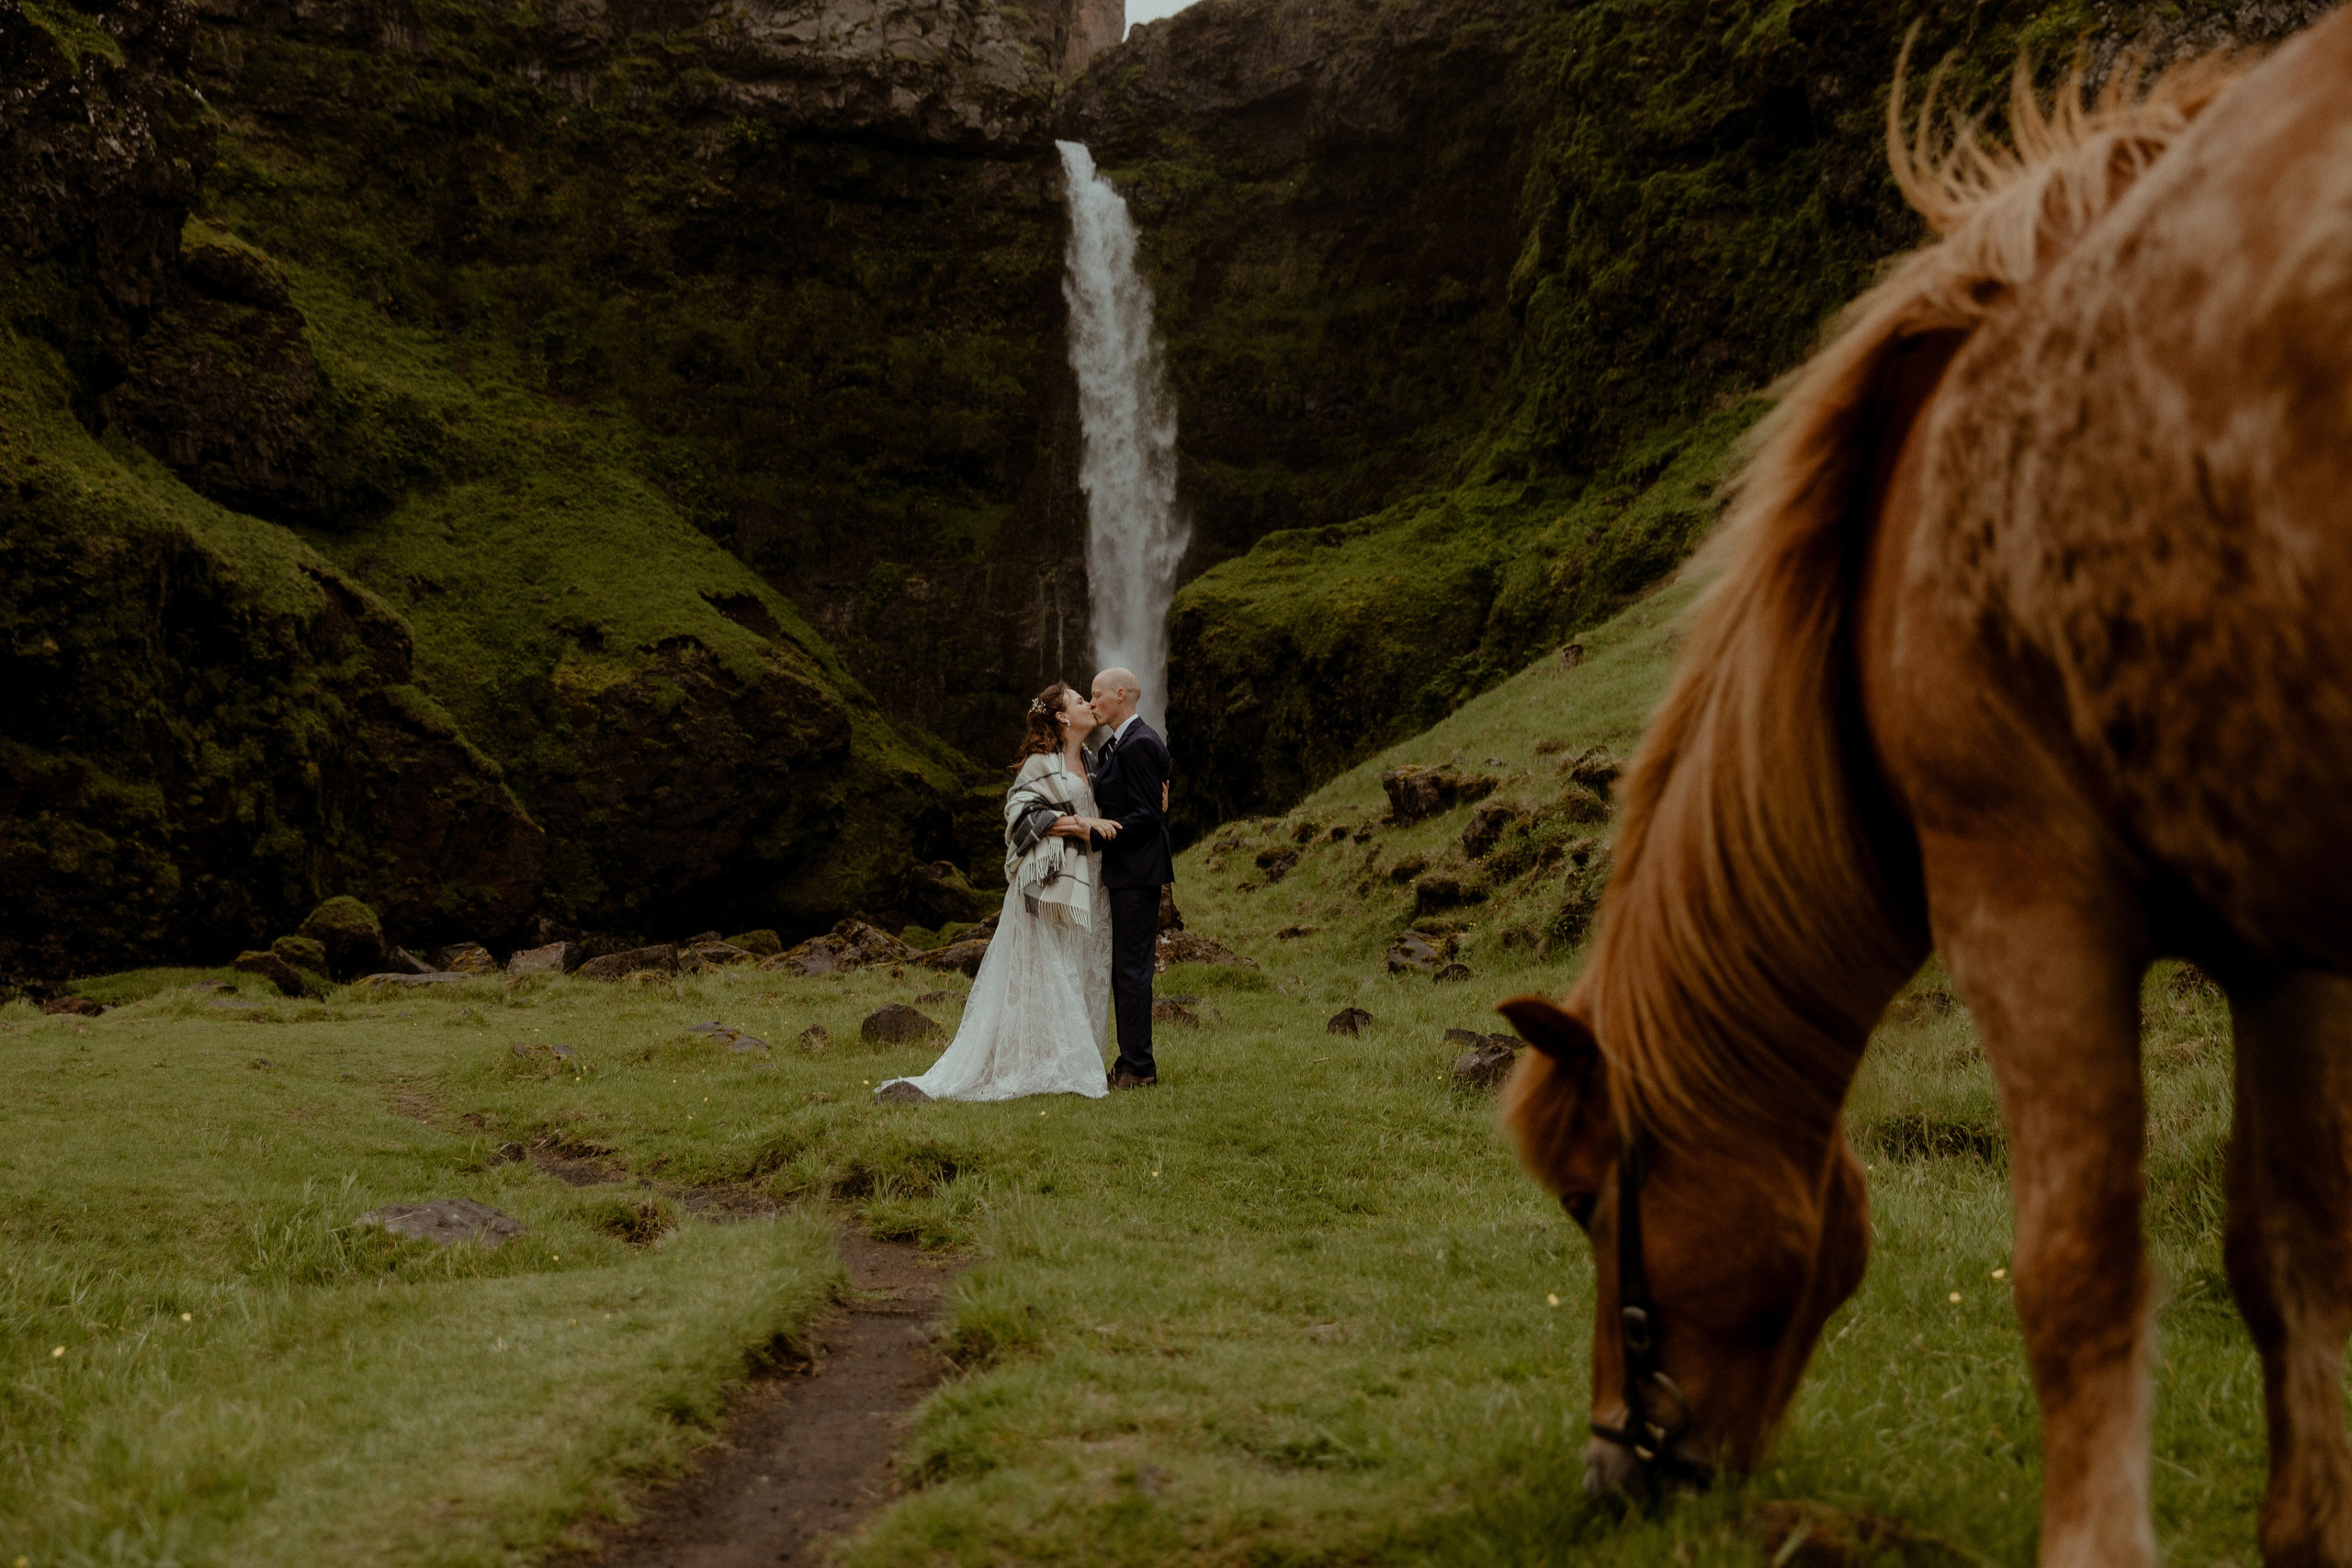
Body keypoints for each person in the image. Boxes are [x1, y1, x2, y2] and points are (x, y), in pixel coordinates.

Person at [875, 683, 1124, 1102]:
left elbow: (1111, 808)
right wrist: (1080, 824)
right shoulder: (1041, 762)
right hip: (1048, 883)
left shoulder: (1093, 760)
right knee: (1052, 968)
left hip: (1089, 880)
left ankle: (1071, 1057)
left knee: (1081, 964)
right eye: (1080, 700)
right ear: (1062, 717)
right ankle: (1049, 1063)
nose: (1089, 703)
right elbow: (1021, 813)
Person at [1087, 667, 1174, 1089]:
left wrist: (1094, 834)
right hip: (1128, 872)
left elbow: (1146, 815)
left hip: (1137, 873)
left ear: (1120, 695)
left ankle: (1139, 1067)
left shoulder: (1139, 744)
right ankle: (1130, 1062)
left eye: (1096, 696)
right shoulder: (1120, 745)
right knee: (1126, 970)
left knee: (1134, 971)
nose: (1090, 704)